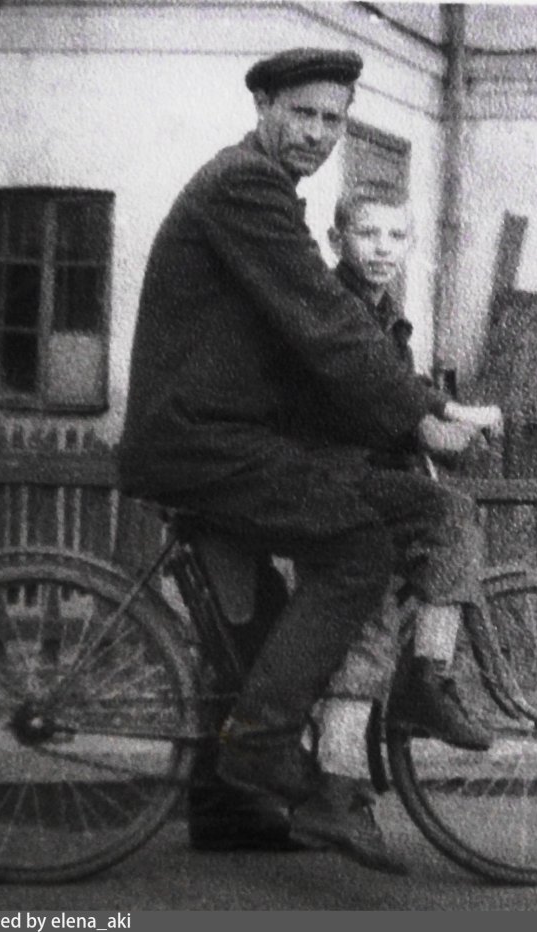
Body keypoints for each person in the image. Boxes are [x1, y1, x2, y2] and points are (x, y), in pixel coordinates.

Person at [118, 47, 496, 874]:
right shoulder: (245, 187)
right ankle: (260, 750)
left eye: (334, 119)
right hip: (205, 441)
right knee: (357, 549)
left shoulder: (258, 191)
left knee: (251, 626)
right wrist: (426, 412)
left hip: (223, 437)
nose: (318, 133)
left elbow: (317, 333)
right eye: (303, 113)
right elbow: (325, 320)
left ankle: (233, 813)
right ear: (263, 106)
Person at [311, 189, 502, 779]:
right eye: (368, 234)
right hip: (338, 476)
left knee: (368, 629)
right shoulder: (337, 303)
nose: (382, 248)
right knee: (452, 516)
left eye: (396, 237)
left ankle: (337, 786)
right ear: (336, 240)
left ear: (411, 245)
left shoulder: (382, 310)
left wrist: (441, 426)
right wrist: (449, 414)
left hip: (368, 481)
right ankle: (427, 682)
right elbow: (374, 389)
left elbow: (397, 389)